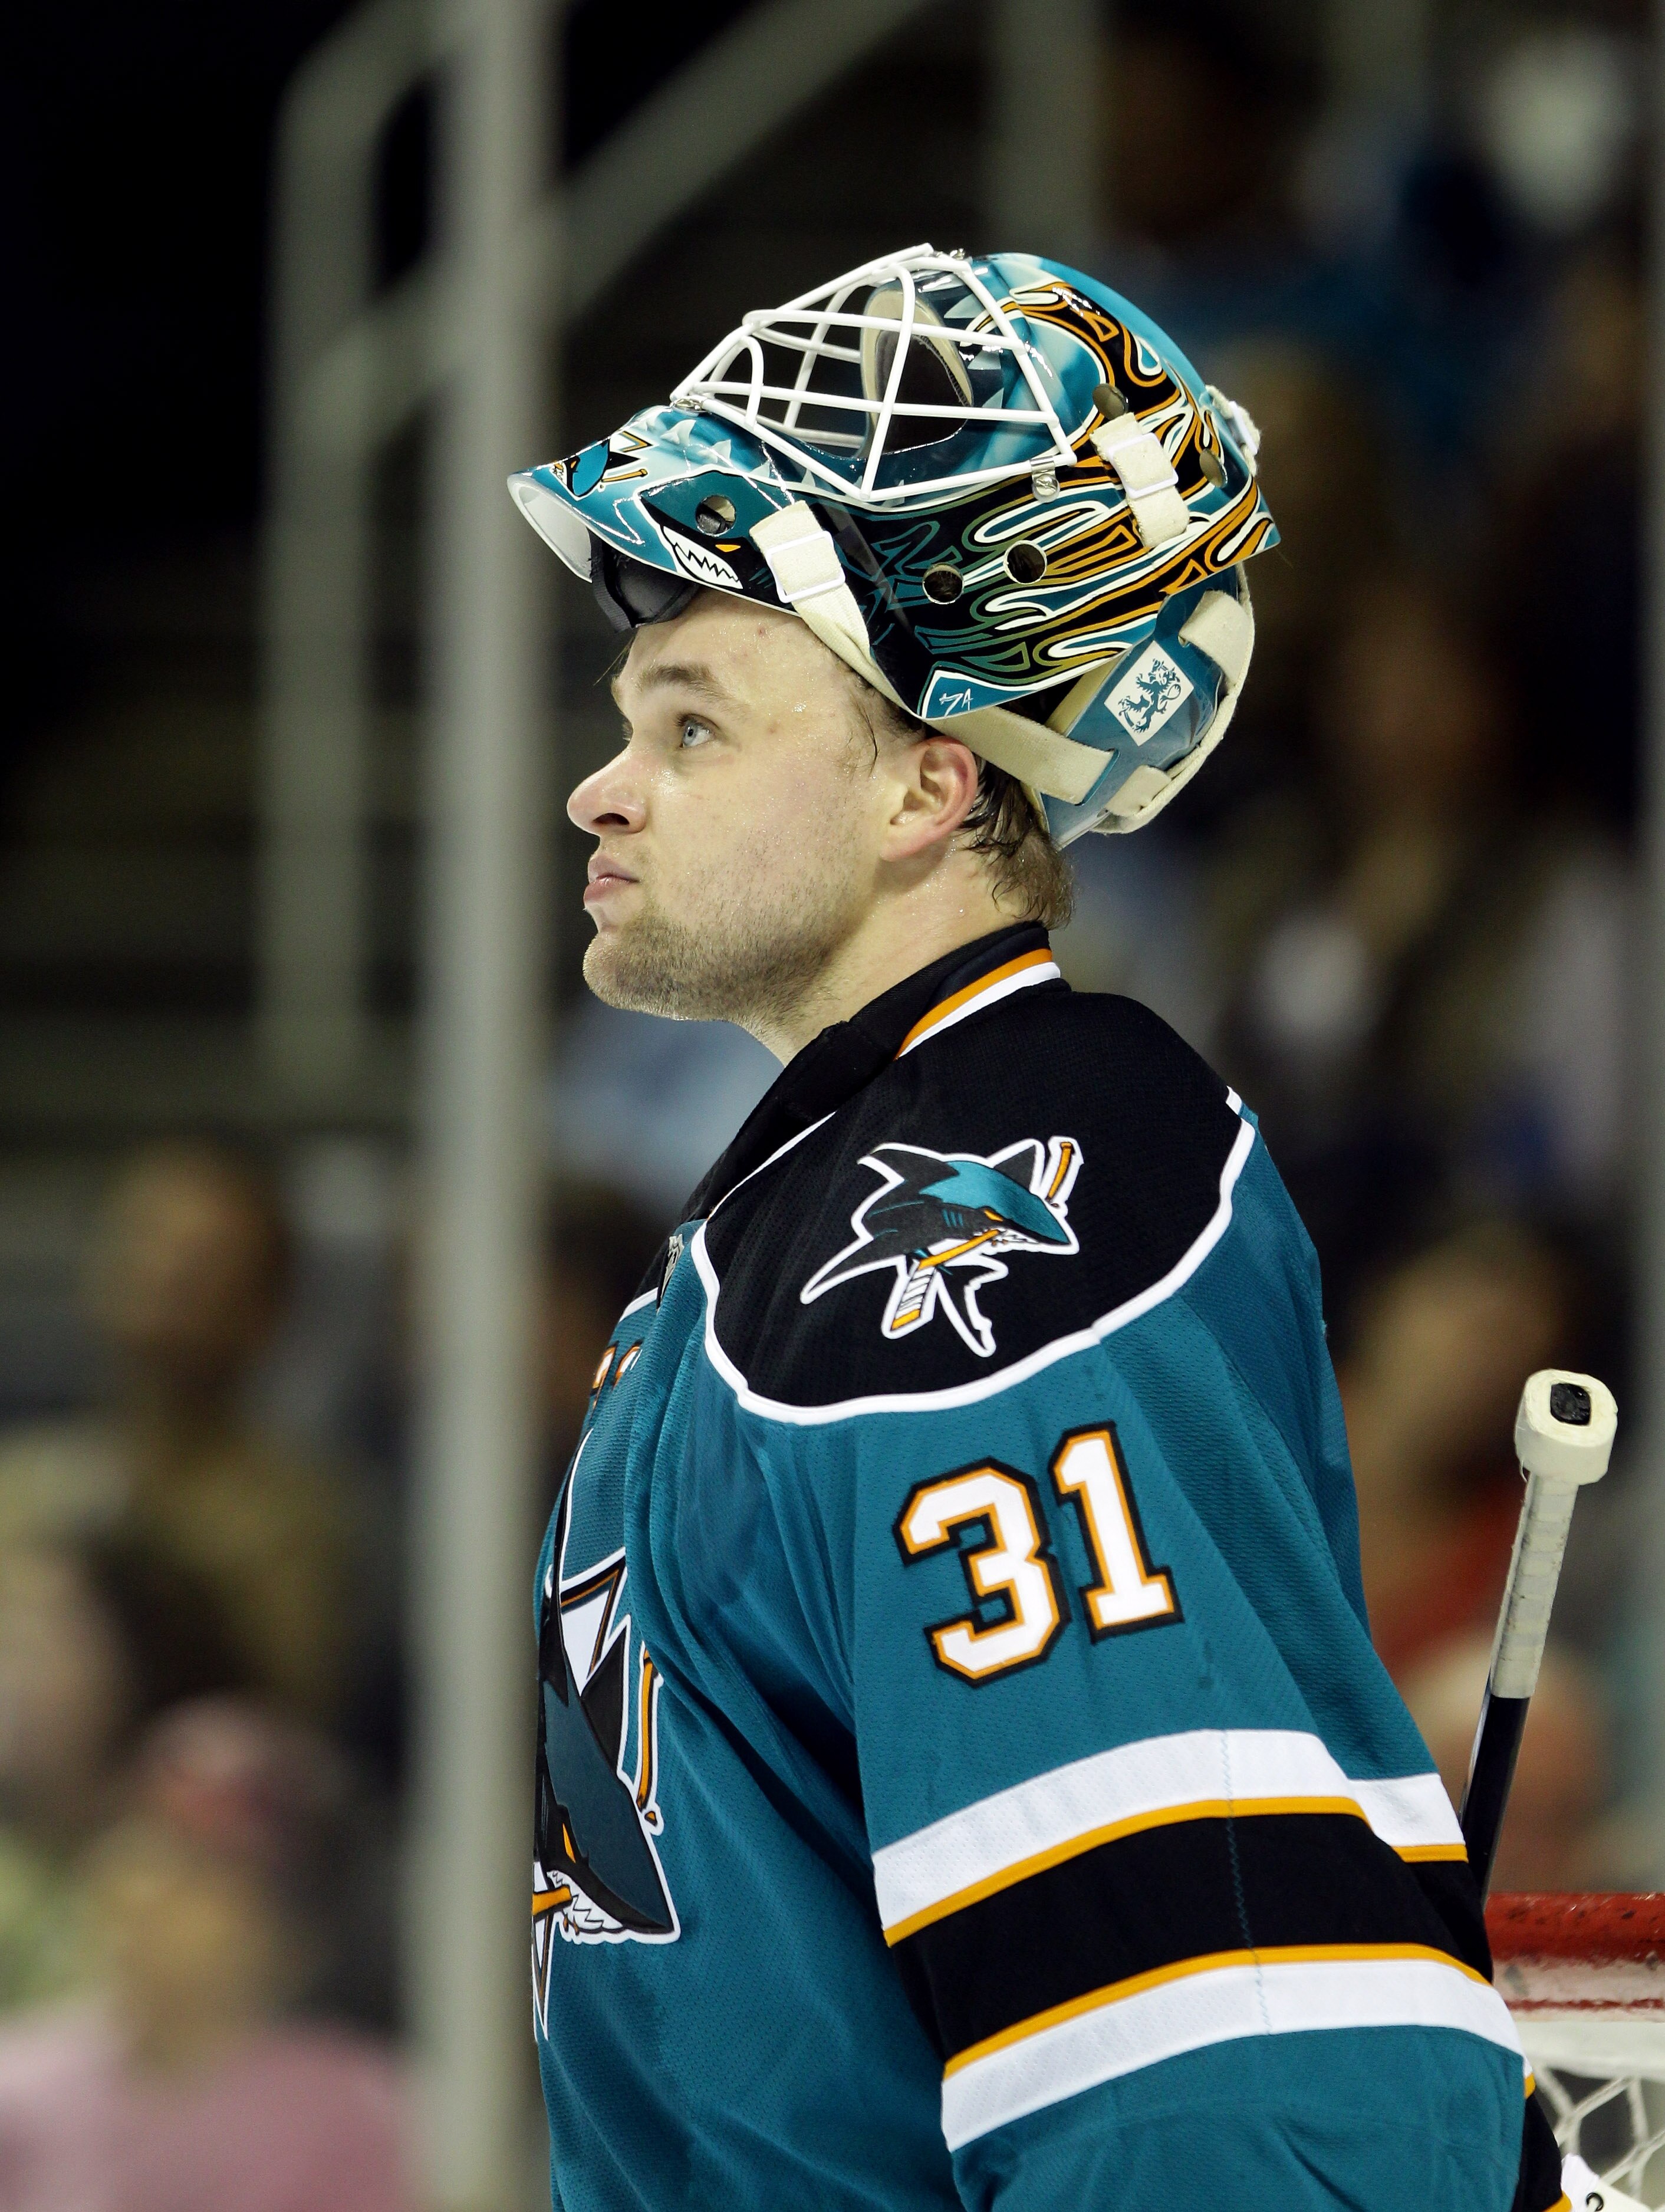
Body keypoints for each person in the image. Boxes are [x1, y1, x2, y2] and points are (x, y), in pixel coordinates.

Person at [508, 248, 1554, 2212]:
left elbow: (1205, 2055)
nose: (603, 785)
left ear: (928, 784)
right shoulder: (787, 1230)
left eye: (694, 725)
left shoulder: (981, 1205)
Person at [0, 1700, 412, 2212]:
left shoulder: (358, 2115)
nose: (143, 1889)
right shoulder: (16, 2090)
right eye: (137, 1843)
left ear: (289, 1931)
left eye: (198, 1868)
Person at [0, 1144, 361, 1723]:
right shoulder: (22, 1485)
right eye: (143, 1238)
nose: (162, 1273)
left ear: (263, 1309)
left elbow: (270, 1719)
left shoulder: (291, 1526)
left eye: (200, 1260)